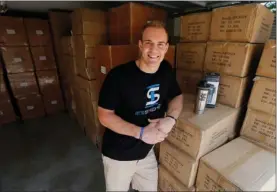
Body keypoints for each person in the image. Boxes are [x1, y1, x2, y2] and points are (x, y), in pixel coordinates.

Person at [98, 20, 184, 191]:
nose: (154, 50)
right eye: (148, 43)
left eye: (160, 44)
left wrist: (171, 119)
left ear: (166, 47)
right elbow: (104, 115)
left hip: (146, 153)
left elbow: (177, 96)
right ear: (140, 45)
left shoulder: (165, 70)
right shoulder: (118, 76)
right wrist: (141, 132)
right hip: (119, 155)